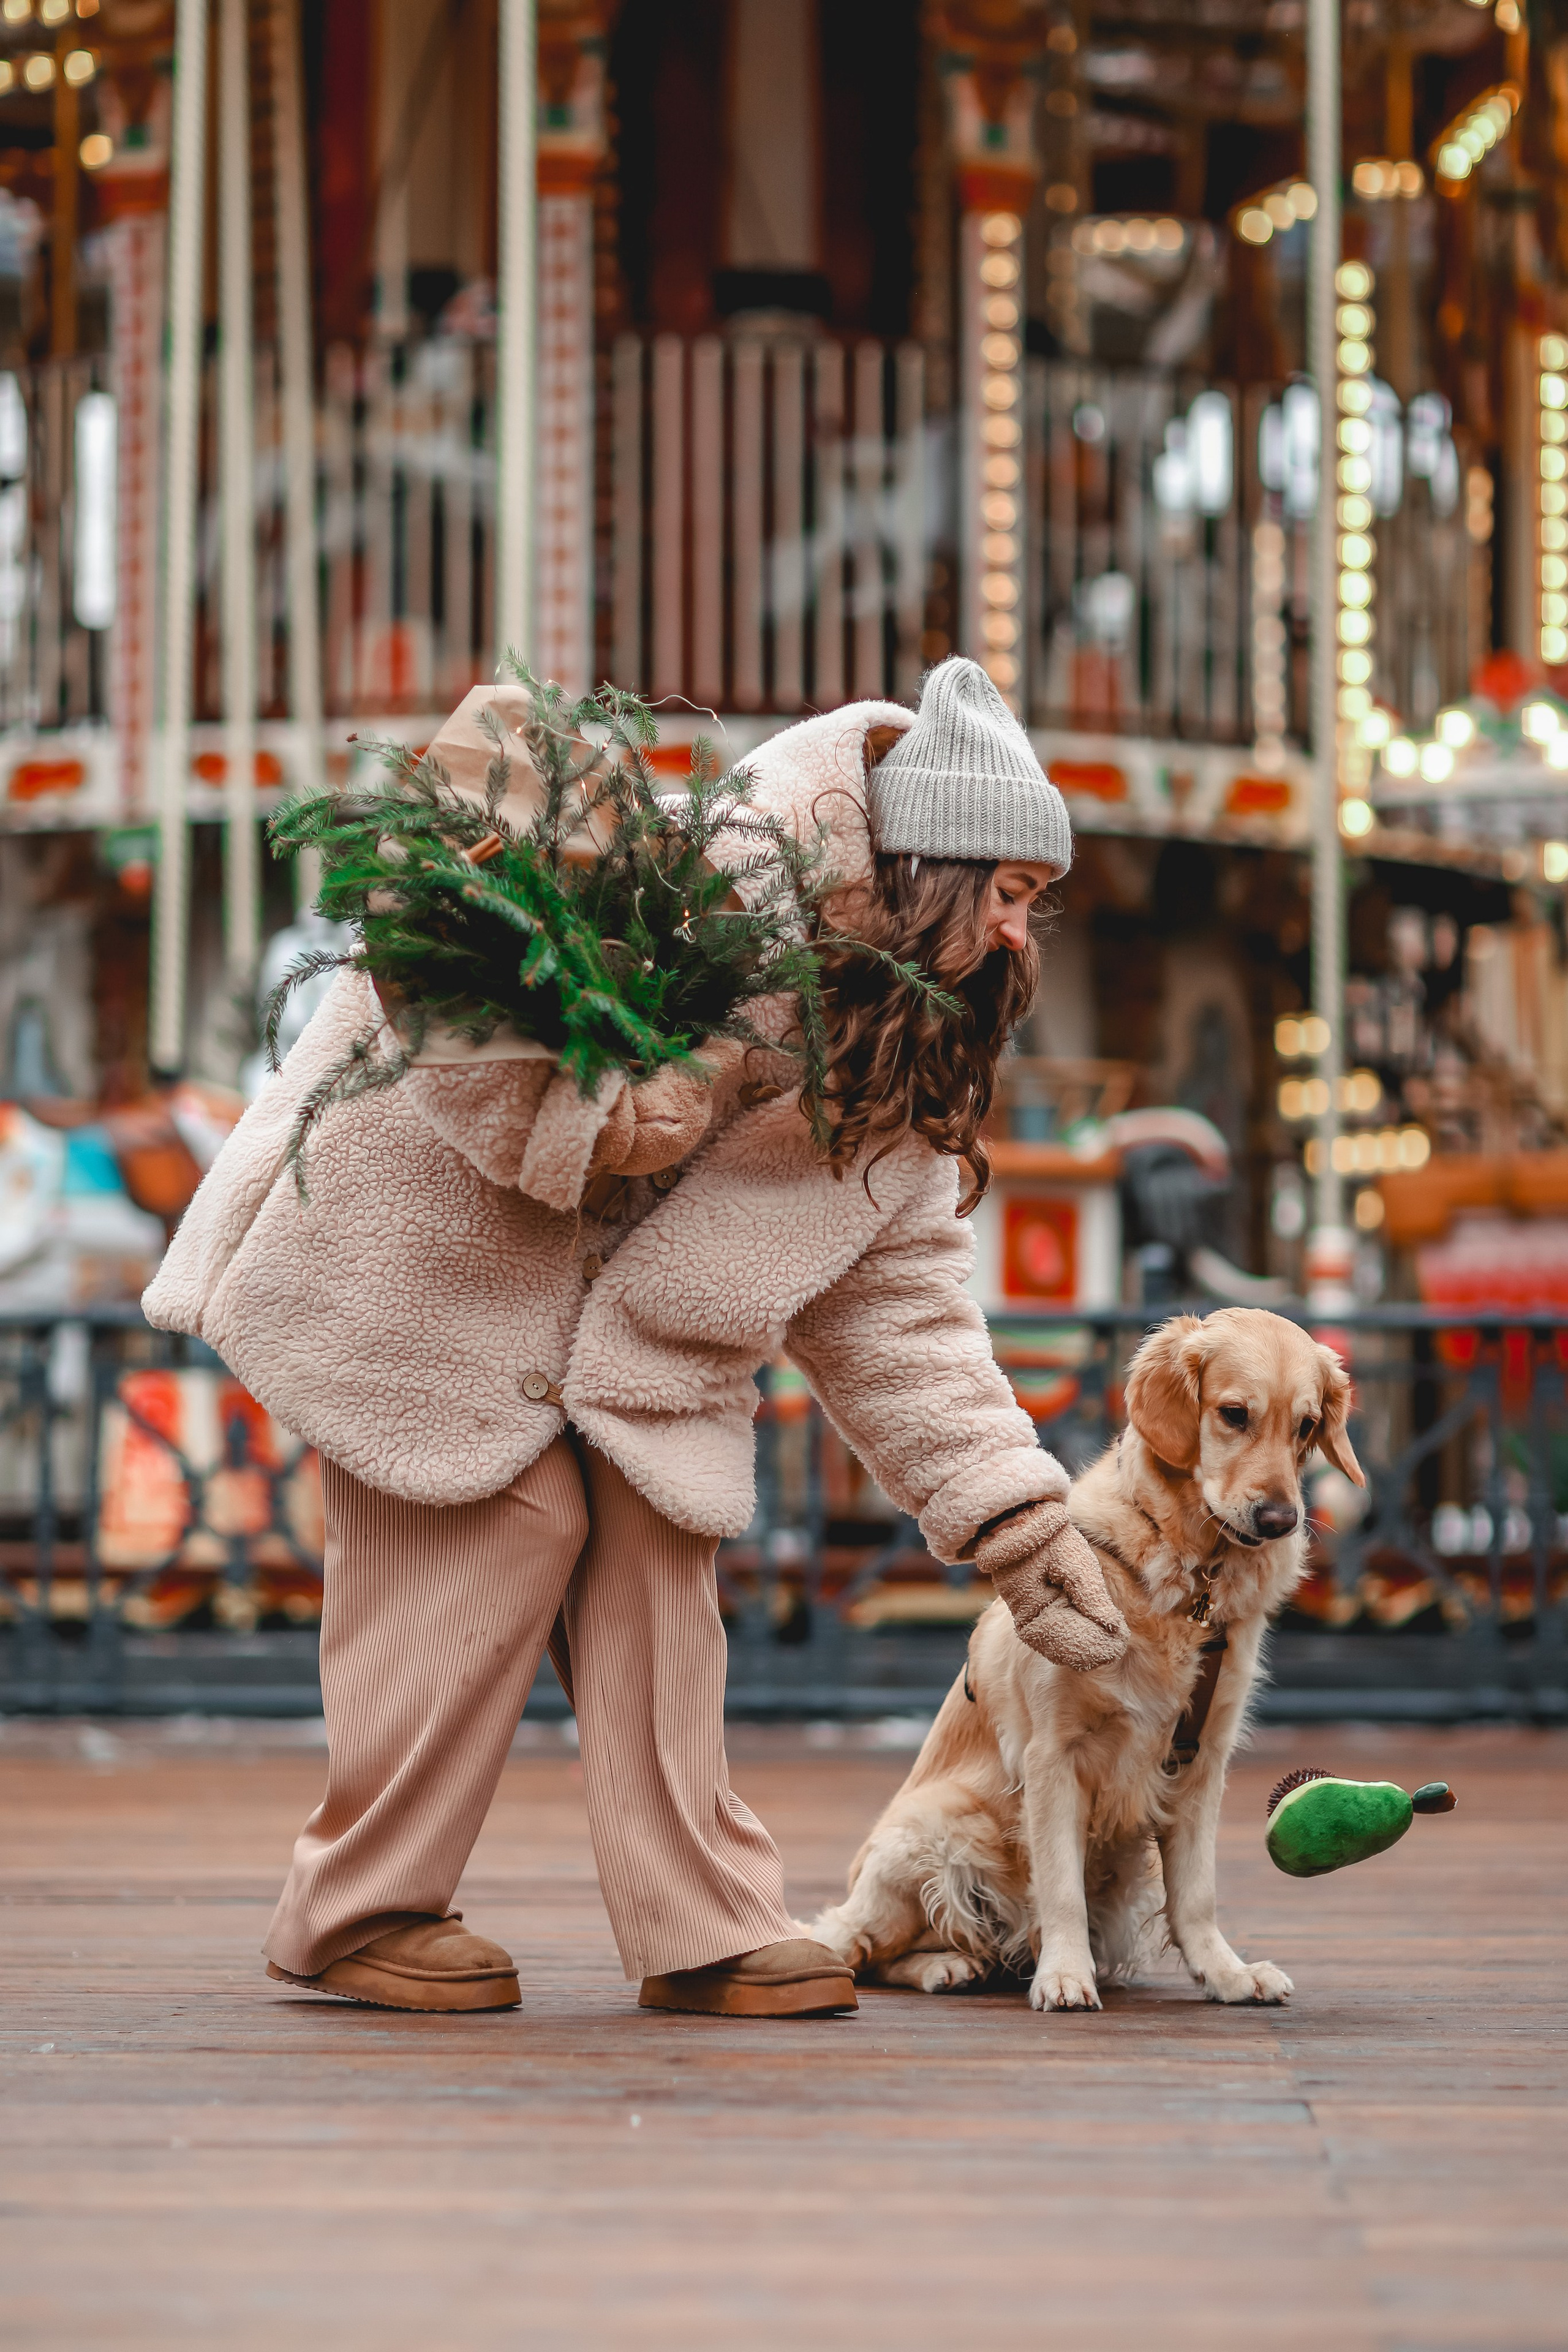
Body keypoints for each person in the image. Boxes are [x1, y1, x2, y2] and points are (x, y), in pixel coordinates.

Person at [143, 656, 1129, 2019]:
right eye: (1010, 899)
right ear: (931, 871)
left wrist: (1012, 1520)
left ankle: (702, 1922)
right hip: (420, 1285)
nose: (1023, 938)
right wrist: (600, 1114)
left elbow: (896, 1306)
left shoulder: (894, 1054)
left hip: (637, 1362)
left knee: (659, 1562)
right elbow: (452, 1001)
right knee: (499, 1533)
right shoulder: (696, 890)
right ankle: (357, 1910)